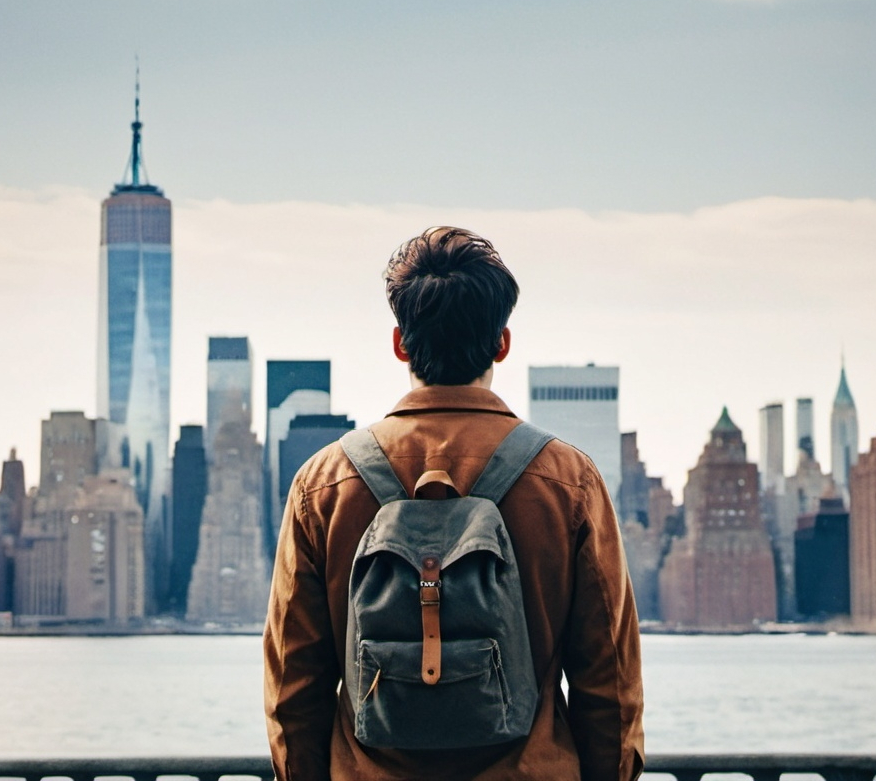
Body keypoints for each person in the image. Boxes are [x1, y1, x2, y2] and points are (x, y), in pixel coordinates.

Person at [264, 226, 644, 781]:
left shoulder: (324, 484)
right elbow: (608, 683)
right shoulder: (568, 481)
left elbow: (292, 689)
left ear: (400, 343)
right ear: (502, 343)